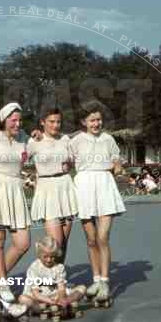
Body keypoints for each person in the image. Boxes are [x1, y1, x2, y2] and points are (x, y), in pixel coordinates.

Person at [68, 100, 125, 304]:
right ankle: (95, 280)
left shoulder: (108, 139)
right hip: (83, 186)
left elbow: (117, 159)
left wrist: (117, 166)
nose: (96, 123)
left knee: (103, 237)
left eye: (99, 119)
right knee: (91, 239)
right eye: (92, 120)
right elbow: (64, 159)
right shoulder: (74, 141)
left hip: (105, 185)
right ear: (84, 122)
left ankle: (105, 282)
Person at [0, 102, 31, 303]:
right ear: (3, 120)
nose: (18, 124)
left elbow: (40, 144)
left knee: (23, 243)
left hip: (16, 190)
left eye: (20, 120)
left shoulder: (24, 137)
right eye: (13, 120)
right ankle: (3, 284)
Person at [26, 108, 78, 263]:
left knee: (63, 245)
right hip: (46, 190)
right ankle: (43, 278)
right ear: (42, 122)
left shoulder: (65, 139)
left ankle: (59, 280)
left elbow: (73, 160)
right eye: (51, 122)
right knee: (56, 244)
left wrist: (69, 164)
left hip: (65, 188)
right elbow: (18, 160)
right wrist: (27, 180)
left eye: (58, 121)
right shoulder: (34, 141)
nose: (56, 125)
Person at [22, 236, 86, 313]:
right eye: (45, 257)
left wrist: (61, 298)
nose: (49, 260)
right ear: (39, 254)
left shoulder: (59, 267)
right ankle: (44, 308)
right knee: (23, 299)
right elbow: (36, 294)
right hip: (38, 298)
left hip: (55, 295)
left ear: (56, 254)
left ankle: (62, 304)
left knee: (82, 288)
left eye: (52, 257)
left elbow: (61, 288)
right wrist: (51, 301)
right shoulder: (34, 268)